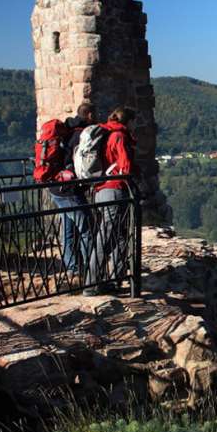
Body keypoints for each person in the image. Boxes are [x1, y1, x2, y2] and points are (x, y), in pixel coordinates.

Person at [84, 106, 138, 296]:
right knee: (106, 235)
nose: (135, 125)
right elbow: (126, 166)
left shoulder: (107, 133)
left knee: (119, 236)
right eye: (133, 121)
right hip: (114, 190)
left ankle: (113, 280)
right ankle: (91, 283)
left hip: (102, 189)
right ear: (128, 121)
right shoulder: (119, 136)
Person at [49, 103, 96, 274]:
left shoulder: (67, 130)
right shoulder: (82, 135)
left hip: (55, 186)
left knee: (68, 230)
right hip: (69, 189)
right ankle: (92, 271)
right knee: (87, 229)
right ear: (89, 115)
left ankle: (73, 268)